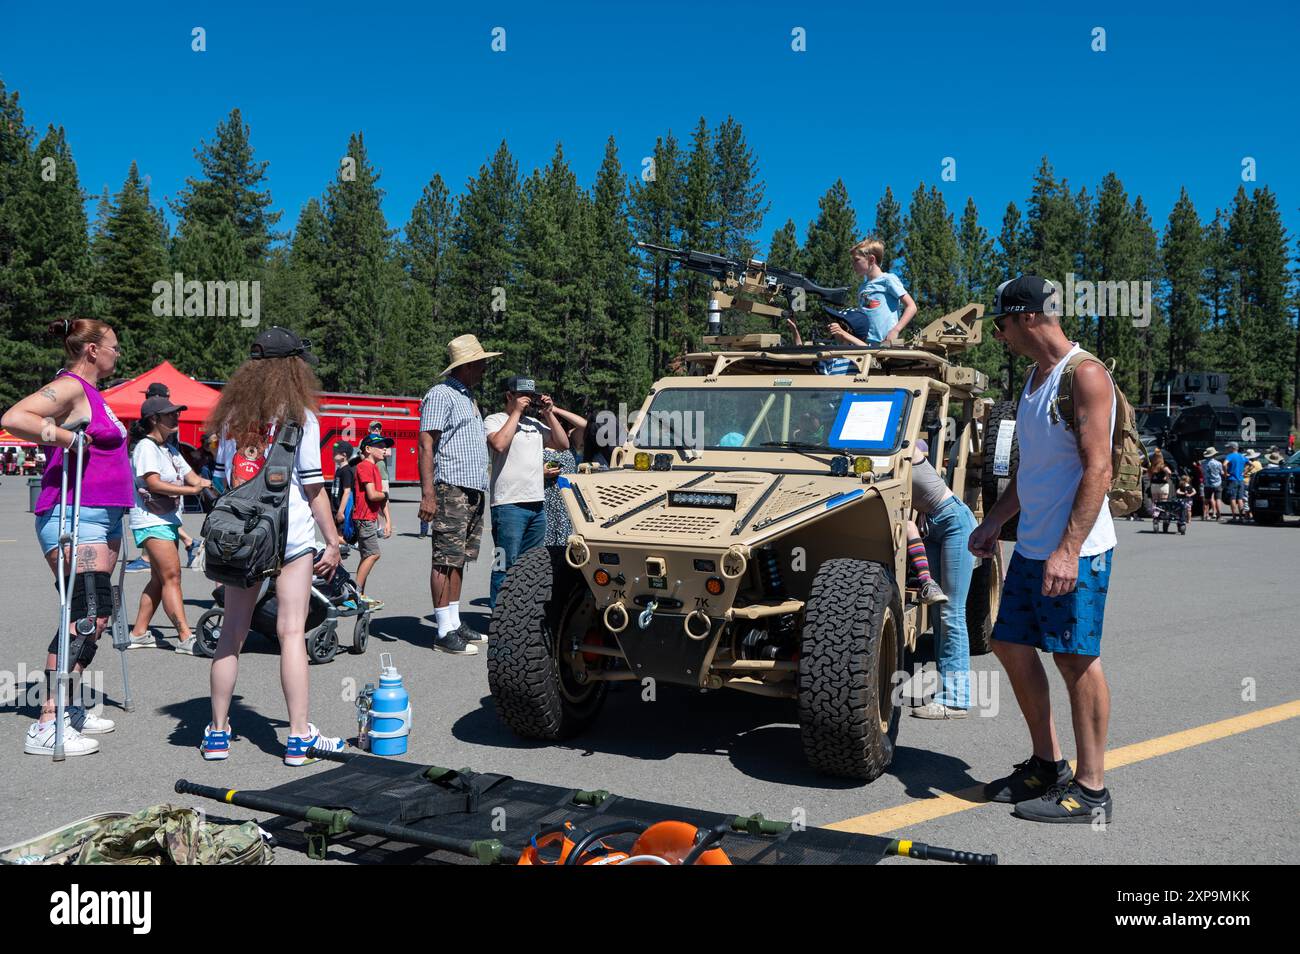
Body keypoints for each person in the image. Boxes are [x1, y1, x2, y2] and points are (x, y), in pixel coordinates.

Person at [968, 276, 1116, 823]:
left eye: (1003, 324)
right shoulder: (1036, 379)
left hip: (1076, 548)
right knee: (1009, 644)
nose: (1000, 335)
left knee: (1076, 659)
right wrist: (994, 522)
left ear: (1028, 316)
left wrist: (1068, 550)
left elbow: (1097, 468)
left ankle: (1092, 790)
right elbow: (1031, 470)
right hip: (1032, 546)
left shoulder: (1086, 375)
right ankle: (1046, 765)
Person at [203, 327, 346, 765]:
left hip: (242, 538)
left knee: (232, 632)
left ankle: (217, 734)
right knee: (290, 634)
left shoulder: (232, 417)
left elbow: (227, 479)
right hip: (291, 537)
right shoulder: (302, 416)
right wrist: (334, 540)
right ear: (293, 367)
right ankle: (298, 738)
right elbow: (314, 487)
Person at [2, 318, 133, 756]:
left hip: (105, 515)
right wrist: (65, 439)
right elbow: (15, 417)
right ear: (93, 350)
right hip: (76, 515)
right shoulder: (71, 386)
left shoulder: (96, 394)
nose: (119, 354)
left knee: (98, 613)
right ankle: (47, 721)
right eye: (114, 346)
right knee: (84, 612)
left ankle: (70, 707)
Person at [418, 334, 499, 655]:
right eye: (481, 363)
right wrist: (427, 493)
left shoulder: (467, 396)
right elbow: (426, 443)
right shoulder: (441, 394)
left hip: (471, 489)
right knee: (444, 559)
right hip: (449, 487)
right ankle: (442, 631)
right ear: (467, 365)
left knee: (459, 559)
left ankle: (453, 621)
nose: (484, 368)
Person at [126, 394, 211, 653]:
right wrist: (190, 490)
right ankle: (185, 637)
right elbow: (152, 483)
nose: (176, 416)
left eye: (177, 412)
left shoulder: (169, 449)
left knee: (159, 579)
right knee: (172, 577)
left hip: (168, 519)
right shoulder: (145, 448)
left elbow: (192, 477)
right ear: (154, 419)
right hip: (151, 520)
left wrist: (210, 485)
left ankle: (139, 633)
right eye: (170, 413)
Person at [484, 376, 569, 609]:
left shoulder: (534, 423)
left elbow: (563, 444)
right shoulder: (495, 419)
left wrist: (549, 413)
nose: (527, 400)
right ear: (509, 396)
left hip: (536, 504)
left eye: (530, 396)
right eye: (522, 396)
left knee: (530, 565)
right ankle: (498, 614)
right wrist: (516, 414)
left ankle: (521, 614)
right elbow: (499, 444)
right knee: (504, 562)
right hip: (508, 504)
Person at [908, 439, 978, 720]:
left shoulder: (906, 444)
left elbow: (919, 451)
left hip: (953, 523)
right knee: (940, 612)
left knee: (951, 612)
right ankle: (948, 691)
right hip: (935, 526)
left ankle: (957, 699)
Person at [352, 433, 393, 608]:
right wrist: (384, 494)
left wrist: (388, 521)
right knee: (372, 554)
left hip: (369, 517)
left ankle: (359, 596)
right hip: (363, 517)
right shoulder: (364, 467)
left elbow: (382, 499)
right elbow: (373, 495)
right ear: (368, 449)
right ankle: (355, 596)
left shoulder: (376, 468)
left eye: (385, 445)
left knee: (366, 556)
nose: (384, 449)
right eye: (380, 445)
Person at [329, 441, 356, 544]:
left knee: (338, 538)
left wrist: (341, 511)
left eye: (335, 452)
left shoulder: (346, 471)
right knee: (335, 535)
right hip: (335, 508)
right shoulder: (339, 470)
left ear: (344, 455)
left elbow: (347, 492)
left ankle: (351, 544)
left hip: (341, 509)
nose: (333, 453)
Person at [1221, 442, 1247, 522]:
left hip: (1232, 480)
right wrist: (1244, 472)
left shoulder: (1230, 456)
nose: (1227, 449)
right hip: (1241, 480)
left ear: (1233, 448)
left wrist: (1225, 474)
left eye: (1228, 448)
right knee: (1240, 499)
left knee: (1232, 498)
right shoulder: (1242, 456)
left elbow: (1224, 464)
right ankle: (1241, 517)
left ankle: (1234, 517)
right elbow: (1251, 465)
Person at [1147, 451, 1173, 526]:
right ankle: (1164, 517)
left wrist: (1152, 479)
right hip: (1163, 485)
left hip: (1154, 485)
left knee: (1155, 502)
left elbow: (1149, 475)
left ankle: (1156, 518)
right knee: (1163, 502)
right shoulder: (1162, 466)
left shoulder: (1152, 466)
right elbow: (1169, 472)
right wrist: (1166, 478)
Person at [1200, 447, 1223, 520]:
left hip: (1207, 483)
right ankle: (1218, 515)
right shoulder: (1218, 463)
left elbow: (1203, 472)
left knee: (1206, 500)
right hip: (1217, 483)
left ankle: (1204, 515)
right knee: (1218, 499)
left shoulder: (1203, 463)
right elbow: (1221, 472)